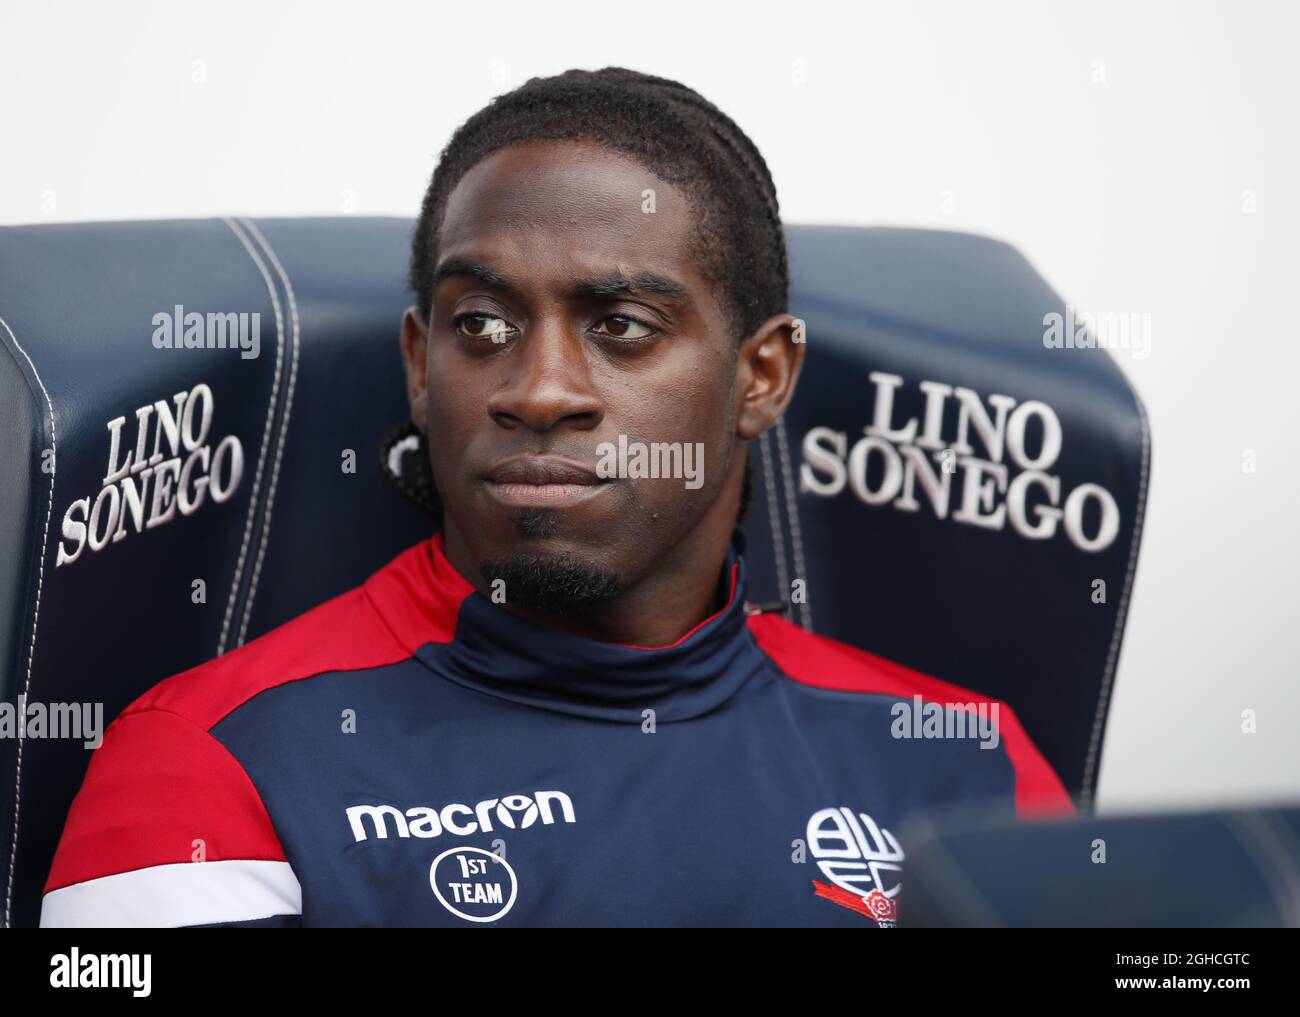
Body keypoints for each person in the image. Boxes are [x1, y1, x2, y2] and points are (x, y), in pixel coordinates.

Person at [40, 67, 1071, 928]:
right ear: (418, 364)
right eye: (480, 325)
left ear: (760, 379)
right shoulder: (209, 766)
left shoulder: (966, 761)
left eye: (620, 324)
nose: (536, 389)